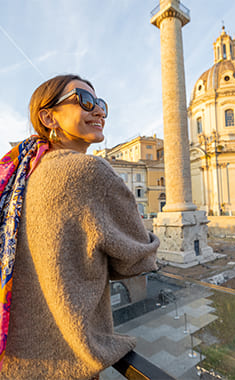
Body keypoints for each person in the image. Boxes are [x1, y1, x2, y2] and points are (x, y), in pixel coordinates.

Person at [0, 74, 159, 379]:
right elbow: (139, 258)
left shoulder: (25, 175)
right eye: (86, 102)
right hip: (65, 362)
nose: (99, 111)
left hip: (15, 360)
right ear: (49, 117)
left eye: (101, 104)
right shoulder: (89, 170)